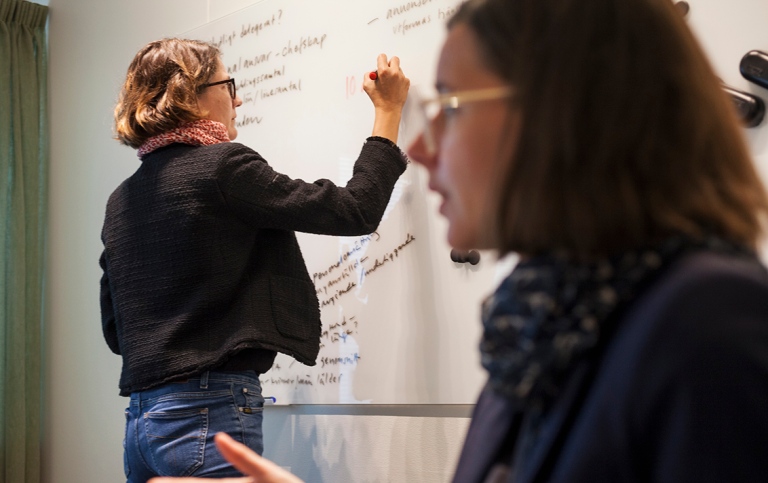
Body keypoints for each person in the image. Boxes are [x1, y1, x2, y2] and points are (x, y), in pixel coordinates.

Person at [147, 0, 768, 481]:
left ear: (568, 113)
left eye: (454, 105)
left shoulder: (708, 320)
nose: (419, 145)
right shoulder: (537, 326)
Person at [100, 37, 409, 481]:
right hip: (209, 417)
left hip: (142, 425)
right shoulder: (223, 167)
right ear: (190, 93)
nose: (238, 97)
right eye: (228, 84)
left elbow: (117, 331)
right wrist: (389, 112)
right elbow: (355, 210)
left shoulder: (121, 199)